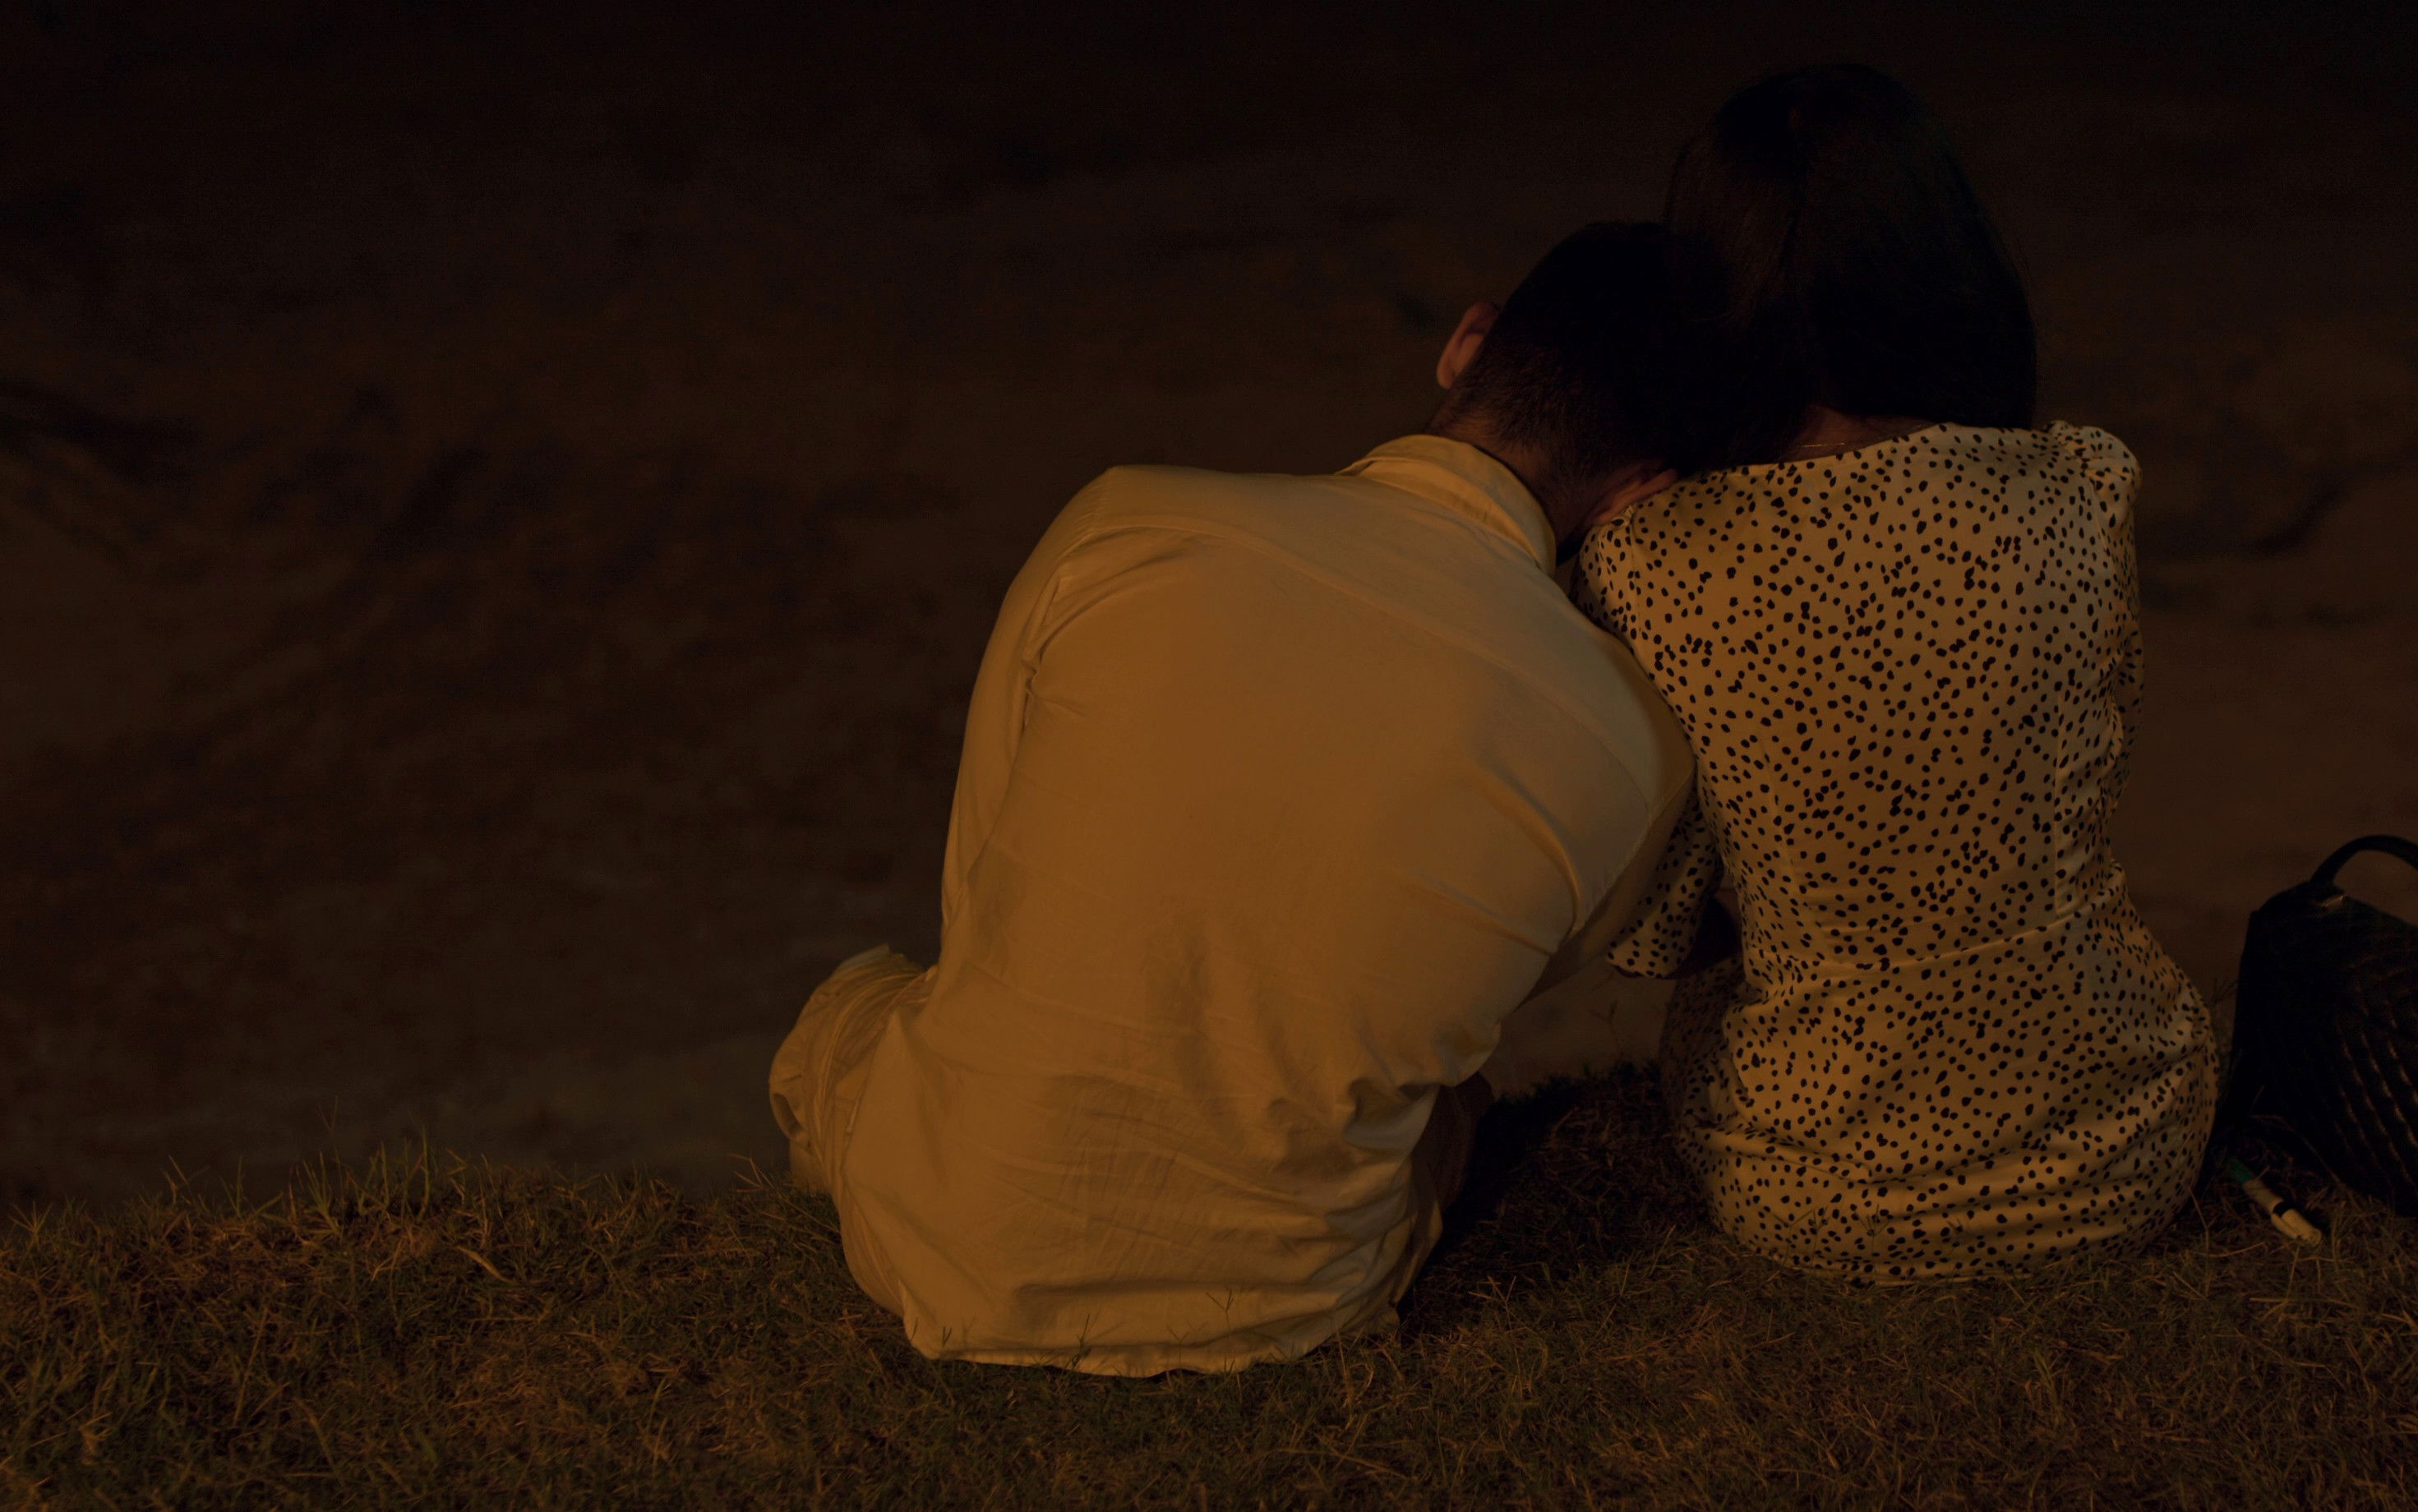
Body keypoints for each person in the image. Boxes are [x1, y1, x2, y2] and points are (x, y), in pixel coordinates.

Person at [769, 223, 1695, 1373]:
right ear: (1640, 494)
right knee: (1438, 1096)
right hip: (1287, 1304)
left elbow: (982, 876)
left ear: (1467, 344)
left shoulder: (1129, 522)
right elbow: (1489, 986)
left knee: (848, 1010)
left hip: (945, 1230)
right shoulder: (1634, 746)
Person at [1575, 67, 2217, 1281]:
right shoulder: (2081, 489)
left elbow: (1658, 936)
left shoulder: (1653, 561)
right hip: (2122, 1148)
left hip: (1810, 1180)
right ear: (1950, 266)